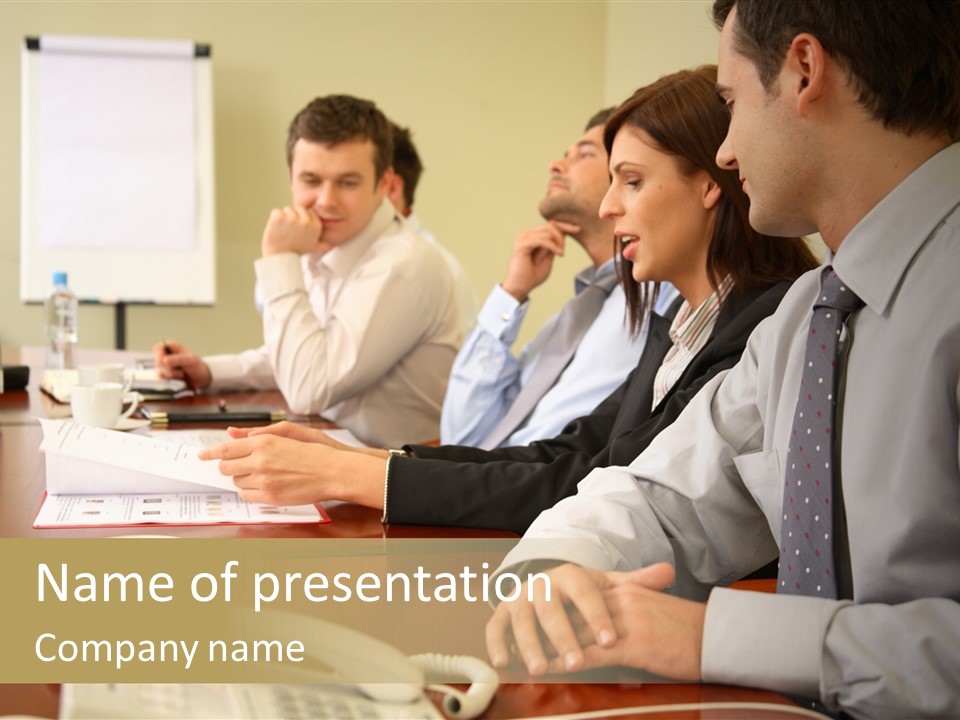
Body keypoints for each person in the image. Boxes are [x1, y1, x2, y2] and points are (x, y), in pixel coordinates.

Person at [485, 2, 960, 718]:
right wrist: (559, 570)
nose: (728, 152)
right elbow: (659, 494)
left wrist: (718, 637)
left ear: (804, 72)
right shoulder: (808, 317)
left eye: (732, 103)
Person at [198, 67, 817, 540]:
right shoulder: (678, 323)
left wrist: (358, 476)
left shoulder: (756, 327)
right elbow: (572, 451)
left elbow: (586, 484)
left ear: (712, 182)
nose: (607, 207)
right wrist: (371, 461)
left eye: (630, 181)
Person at [154, 96, 463, 447]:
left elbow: (308, 388)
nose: (326, 200)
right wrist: (210, 372)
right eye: (311, 180)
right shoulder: (334, 241)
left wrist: (281, 257)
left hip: (390, 483)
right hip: (340, 457)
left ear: (384, 184)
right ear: (291, 178)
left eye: (348, 182)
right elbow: (305, 354)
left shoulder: (403, 264)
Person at [442, 109, 678, 449]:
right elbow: (464, 437)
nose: (556, 165)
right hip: (484, 481)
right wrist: (512, 293)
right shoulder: (568, 321)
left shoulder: (664, 292)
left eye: (584, 154)